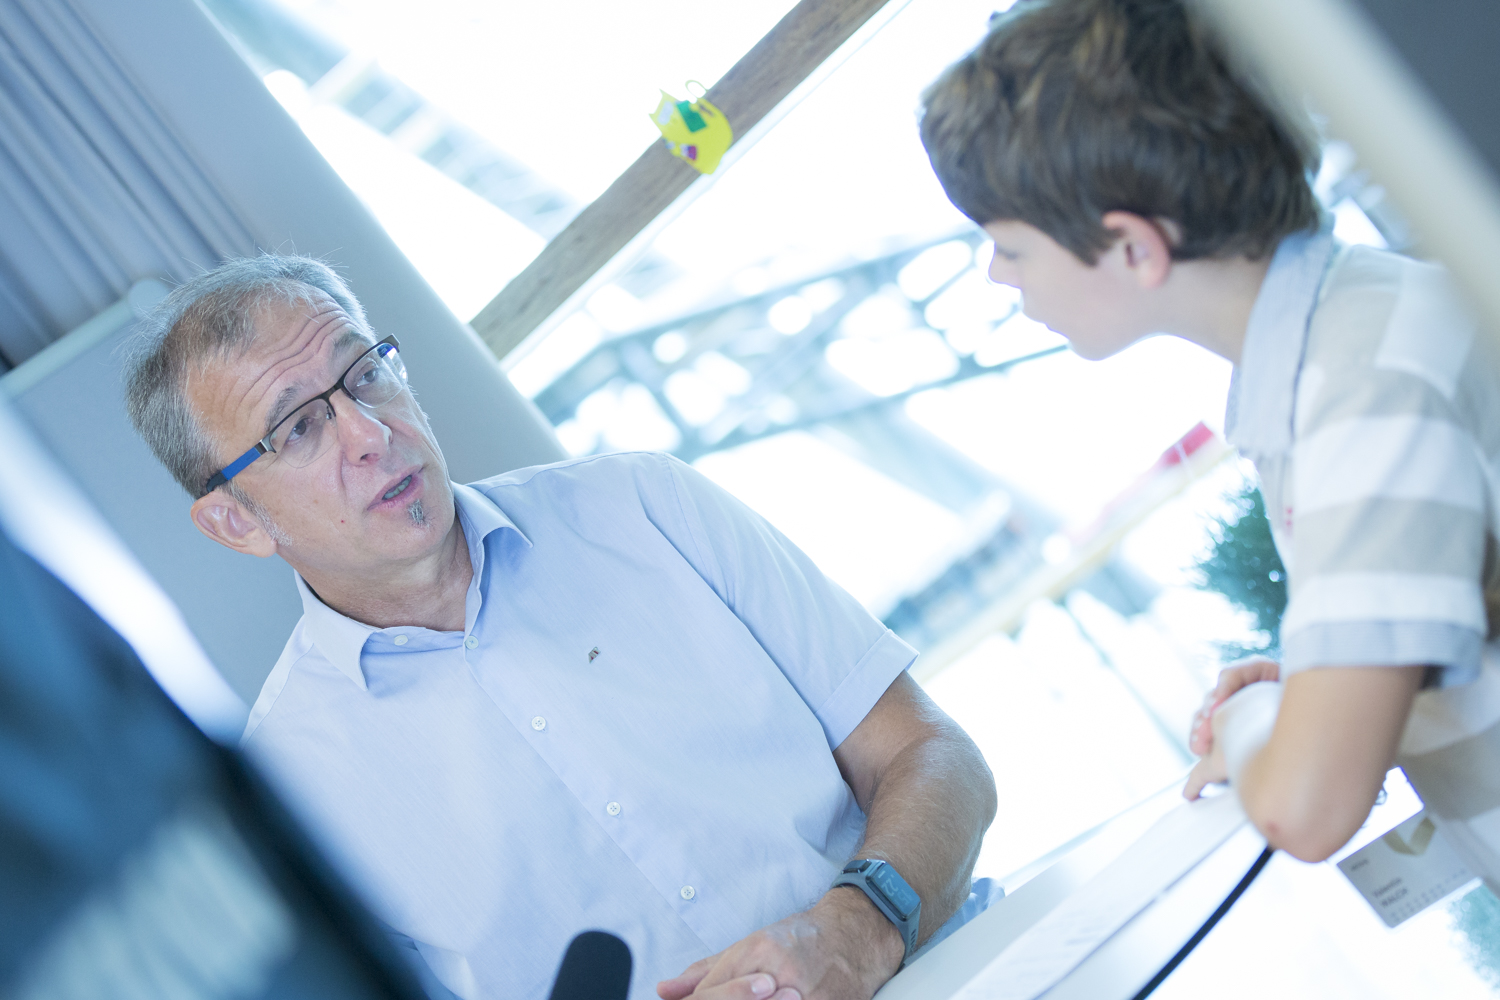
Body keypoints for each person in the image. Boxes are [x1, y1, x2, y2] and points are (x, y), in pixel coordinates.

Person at [122, 255, 1000, 1000]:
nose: (370, 432)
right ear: (236, 522)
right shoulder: (289, 788)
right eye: (301, 427)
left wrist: (857, 927)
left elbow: (934, 755)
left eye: (366, 374)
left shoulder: (643, 505)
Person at [919, 0, 1500, 888]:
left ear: (1131, 247)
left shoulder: (1354, 391)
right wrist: (1325, 677)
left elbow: (1306, 807)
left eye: (1008, 246)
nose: (998, 274)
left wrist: (1258, 719)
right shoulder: (1360, 328)